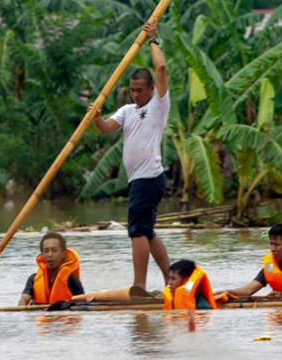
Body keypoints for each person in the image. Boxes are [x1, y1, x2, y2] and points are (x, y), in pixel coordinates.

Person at [90, 19, 170, 290]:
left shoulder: (159, 105)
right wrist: (96, 117)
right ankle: (172, 280)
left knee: (137, 231)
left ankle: (139, 287)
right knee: (146, 232)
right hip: (139, 179)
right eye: (132, 90)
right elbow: (104, 129)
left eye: (140, 90)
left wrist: (153, 39)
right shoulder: (126, 111)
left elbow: (160, 67)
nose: (135, 94)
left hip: (149, 177)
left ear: (150, 89)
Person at [217, 223, 282, 297]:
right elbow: (247, 291)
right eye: (271, 244)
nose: (272, 249)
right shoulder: (270, 264)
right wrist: (226, 292)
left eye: (276, 245)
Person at [18, 232, 84, 305]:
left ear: (63, 254)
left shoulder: (71, 279)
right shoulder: (33, 279)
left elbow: (82, 302)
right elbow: (23, 300)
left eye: (54, 250)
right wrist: (21, 308)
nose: (50, 255)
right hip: (41, 314)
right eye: (46, 251)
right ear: (42, 255)